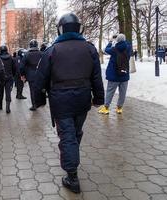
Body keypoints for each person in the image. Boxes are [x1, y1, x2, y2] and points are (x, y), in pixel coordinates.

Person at [34, 13, 104, 194]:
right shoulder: (89, 49)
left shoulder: (52, 50)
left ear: (61, 29)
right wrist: (98, 99)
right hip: (82, 100)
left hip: (61, 101)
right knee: (75, 132)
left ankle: (72, 176)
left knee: (67, 136)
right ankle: (72, 156)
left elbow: (40, 78)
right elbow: (96, 77)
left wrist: (39, 100)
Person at [98, 33, 132, 115]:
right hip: (124, 75)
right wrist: (122, 38)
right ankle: (119, 108)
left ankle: (106, 108)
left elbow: (106, 49)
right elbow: (127, 43)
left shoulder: (114, 49)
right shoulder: (128, 48)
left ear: (117, 40)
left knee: (110, 91)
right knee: (122, 92)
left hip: (114, 75)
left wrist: (111, 41)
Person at [21, 39, 43, 111]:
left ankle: (34, 105)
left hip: (31, 75)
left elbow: (22, 66)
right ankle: (39, 103)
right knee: (39, 89)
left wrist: (22, 75)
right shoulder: (41, 53)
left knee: (32, 90)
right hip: (40, 75)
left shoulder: (27, 54)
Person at [0, 45, 16, 113]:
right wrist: (12, 75)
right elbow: (14, 68)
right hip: (9, 77)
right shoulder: (11, 58)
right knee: (8, 92)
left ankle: (0, 105)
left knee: (0, 92)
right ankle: (7, 107)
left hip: (0, 78)